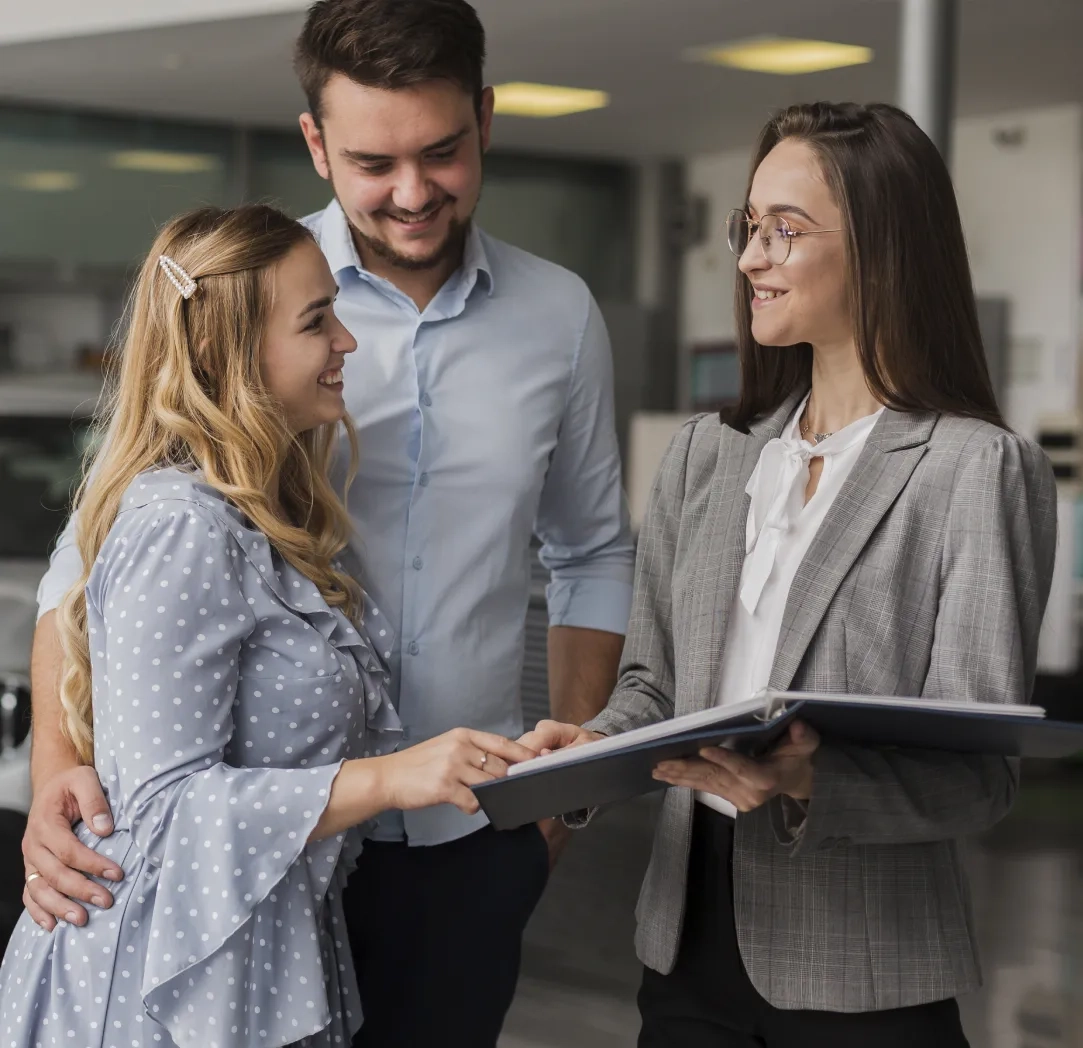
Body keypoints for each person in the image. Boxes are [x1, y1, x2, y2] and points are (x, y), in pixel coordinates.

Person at [21, 1, 633, 1044]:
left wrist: (561, 806)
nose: (412, 193)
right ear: (315, 142)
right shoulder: (242, 293)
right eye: (372, 162)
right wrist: (53, 774)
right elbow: (78, 577)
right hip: (257, 862)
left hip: (468, 842)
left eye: (440, 152)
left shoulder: (560, 315)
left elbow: (592, 554)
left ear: (486, 119)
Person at [523, 101, 1058, 1048]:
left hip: (864, 974)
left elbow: (979, 777)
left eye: (784, 230)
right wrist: (587, 749)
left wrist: (812, 779)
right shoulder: (705, 455)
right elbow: (654, 687)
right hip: (683, 951)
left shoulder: (975, 469)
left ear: (881, 250)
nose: (747, 260)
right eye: (748, 226)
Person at [0, 204, 540, 1047]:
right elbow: (165, 815)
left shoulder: (257, 521)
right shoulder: (180, 527)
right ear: (227, 351)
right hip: (157, 982)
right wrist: (392, 779)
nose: (346, 342)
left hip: (247, 958)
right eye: (317, 321)